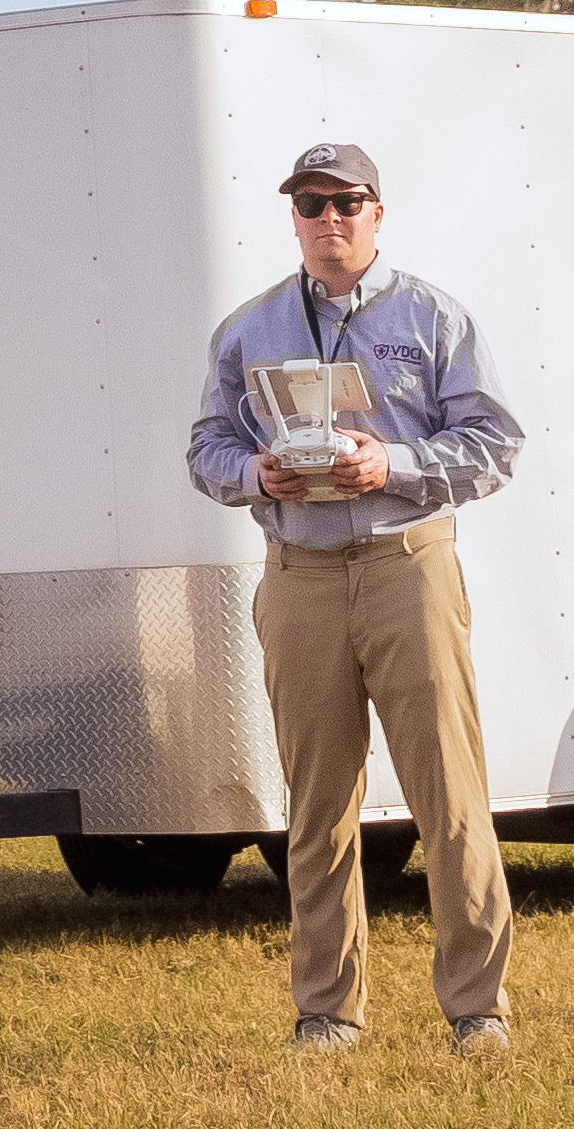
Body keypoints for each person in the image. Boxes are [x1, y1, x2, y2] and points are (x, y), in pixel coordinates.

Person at [183, 135, 527, 1054]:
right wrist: (255, 471)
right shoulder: (249, 330)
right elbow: (205, 449)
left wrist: (394, 461)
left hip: (404, 566)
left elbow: (494, 444)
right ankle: (328, 1014)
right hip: (298, 577)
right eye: (309, 203)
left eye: (346, 203)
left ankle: (478, 1009)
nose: (327, 219)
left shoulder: (432, 318)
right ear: (292, 217)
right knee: (318, 799)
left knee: (447, 792)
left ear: (378, 213)